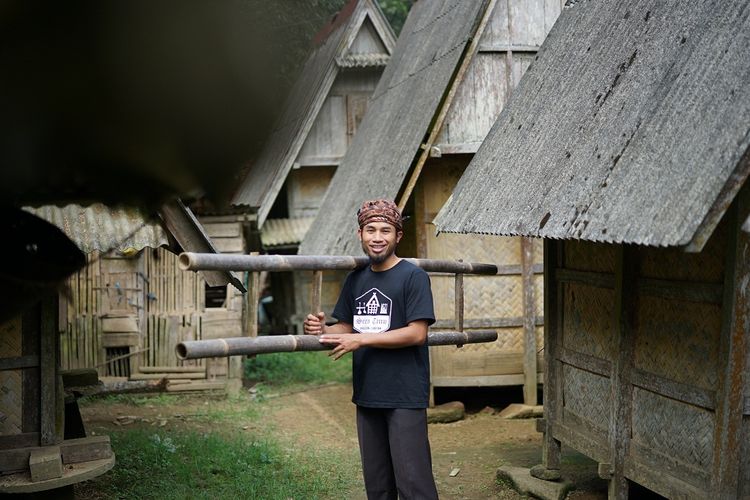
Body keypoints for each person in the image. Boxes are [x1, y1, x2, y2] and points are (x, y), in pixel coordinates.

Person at [303, 199, 439, 500]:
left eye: (386, 230)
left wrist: (361, 340)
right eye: (371, 230)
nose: (378, 237)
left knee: (414, 484)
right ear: (360, 234)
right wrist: (323, 330)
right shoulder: (356, 279)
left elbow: (417, 333)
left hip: (404, 394)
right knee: (378, 487)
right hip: (368, 393)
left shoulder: (413, 277)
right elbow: (348, 328)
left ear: (398, 236)